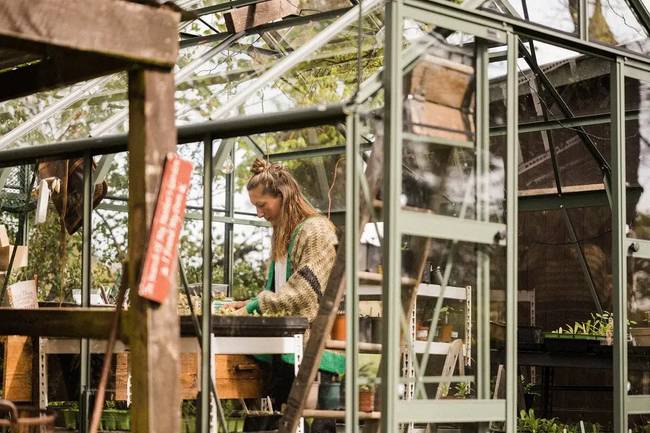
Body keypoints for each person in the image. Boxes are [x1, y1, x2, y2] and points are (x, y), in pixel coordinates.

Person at [227, 159, 340, 432]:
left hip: (313, 351)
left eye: (262, 205)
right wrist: (251, 302)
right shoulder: (285, 234)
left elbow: (304, 294)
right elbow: (280, 289)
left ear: (283, 196)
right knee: (271, 421)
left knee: (311, 424)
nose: (259, 213)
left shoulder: (316, 231)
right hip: (286, 348)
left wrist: (257, 304)